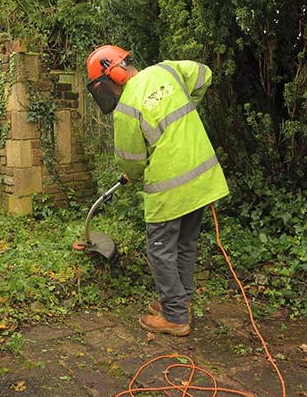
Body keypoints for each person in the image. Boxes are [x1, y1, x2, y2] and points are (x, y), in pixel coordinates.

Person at [85, 45, 229, 336]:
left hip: (169, 188)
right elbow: (205, 75)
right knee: (185, 244)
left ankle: (175, 316)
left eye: (105, 84)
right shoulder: (168, 70)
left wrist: (133, 174)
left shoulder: (126, 108)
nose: (107, 91)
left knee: (160, 250)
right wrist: (184, 112)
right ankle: (181, 302)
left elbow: (132, 162)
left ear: (114, 74)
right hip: (202, 178)